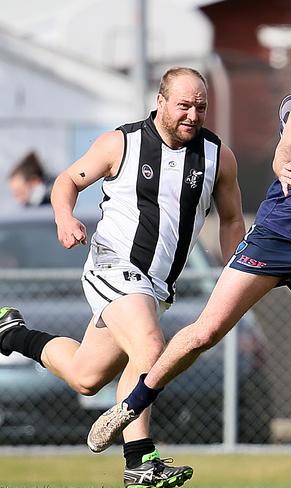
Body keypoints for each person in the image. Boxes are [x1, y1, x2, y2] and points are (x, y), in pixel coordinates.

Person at [88, 19, 291, 480]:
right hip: (275, 243)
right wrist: (284, 163)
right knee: (205, 334)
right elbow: (289, 143)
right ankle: (131, 405)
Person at [0, 67, 245, 488]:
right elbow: (66, 181)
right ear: (161, 101)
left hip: (157, 285)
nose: (192, 115)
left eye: (200, 107)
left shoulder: (217, 156)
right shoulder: (122, 143)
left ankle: (10, 333)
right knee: (151, 346)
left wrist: (235, 272)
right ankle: (140, 460)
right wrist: (63, 217)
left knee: (86, 376)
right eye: (183, 105)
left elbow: (232, 220)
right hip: (113, 264)